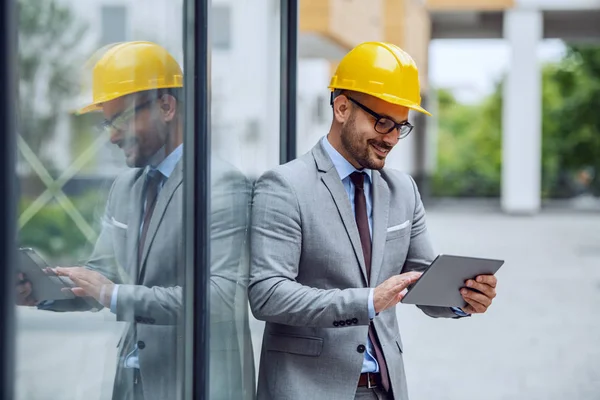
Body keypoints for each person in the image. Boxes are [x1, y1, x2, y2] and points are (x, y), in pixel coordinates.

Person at [248, 41, 499, 400]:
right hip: (309, 389)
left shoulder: (402, 190)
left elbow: (422, 279)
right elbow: (267, 294)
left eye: (400, 126)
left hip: (383, 389)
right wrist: (368, 301)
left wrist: (463, 297)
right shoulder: (285, 186)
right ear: (342, 107)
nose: (392, 138)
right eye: (382, 122)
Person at [15, 41, 254, 400]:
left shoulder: (220, 184)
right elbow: (102, 275)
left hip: (194, 383)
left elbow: (219, 297)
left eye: (122, 119)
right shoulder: (125, 187)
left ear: (166, 105)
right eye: (107, 123)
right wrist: (42, 291)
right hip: (132, 384)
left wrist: (112, 294)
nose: (112, 136)